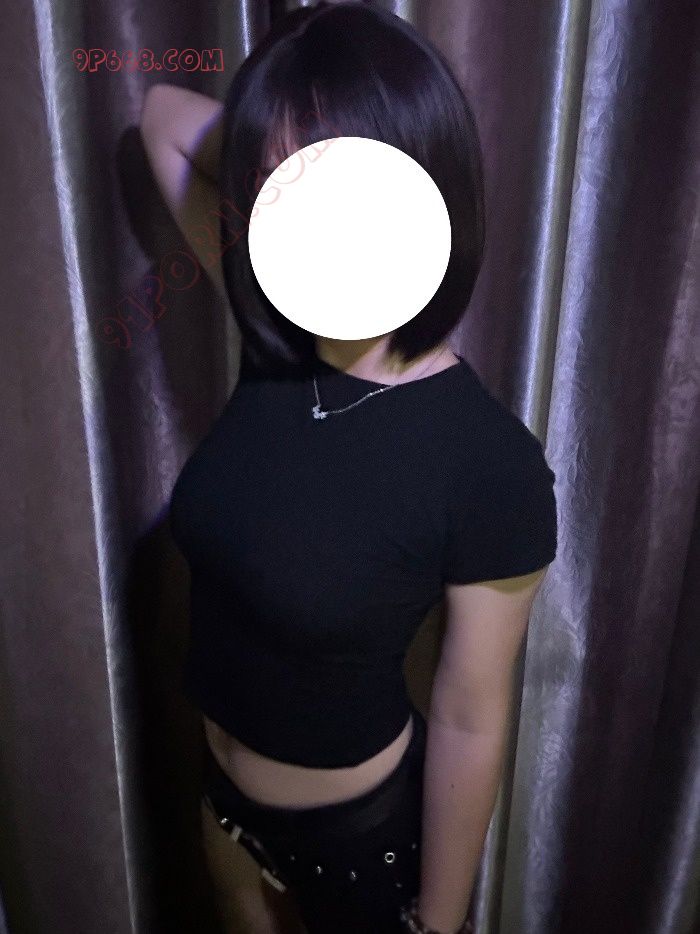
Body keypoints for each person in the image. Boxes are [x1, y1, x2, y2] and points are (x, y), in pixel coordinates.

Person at [140, 3, 558, 932]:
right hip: (221, 809)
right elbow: (163, 119)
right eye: (280, 187)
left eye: (344, 188)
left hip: (354, 851)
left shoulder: (489, 464)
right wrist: (282, 148)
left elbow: (470, 716)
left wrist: (438, 925)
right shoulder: (276, 334)